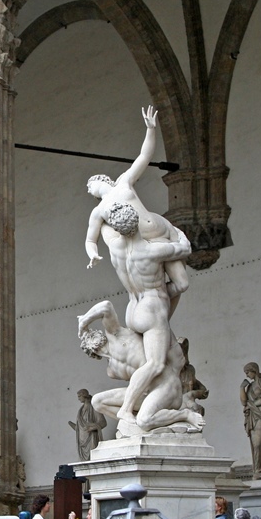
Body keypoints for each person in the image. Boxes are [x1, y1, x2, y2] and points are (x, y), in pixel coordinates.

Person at [83, 105, 192, 425]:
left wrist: (93, 252)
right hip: (154, 295)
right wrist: (151, 130)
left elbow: (93, 239)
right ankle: (133, 409)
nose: (89, 190)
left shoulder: (109, 224)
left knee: (159, 353)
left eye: (90, 186)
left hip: (135, 307)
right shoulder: (118, 207)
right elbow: (144, 158)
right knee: (157, 363)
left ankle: (138, 407)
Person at [78, 300, 204, 433]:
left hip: (166, 386)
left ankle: (184, 415)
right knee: (97, 401)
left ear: (99, 332)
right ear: (91, 353)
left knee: (145, 420)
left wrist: (84, 322)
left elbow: (106, 306)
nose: (89, 337)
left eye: (91, 334)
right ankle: (134, 422)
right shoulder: (111, 370)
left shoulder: (115, 333)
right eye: (87, 339)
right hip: (146, 394)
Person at [69, 389, 106, 461]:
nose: (78, 398)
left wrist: (93, 427)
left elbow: (103, 422)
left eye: (79, 396)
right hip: (82, 441)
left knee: (93, 459)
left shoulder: (93, 407)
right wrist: (72, 425)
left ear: (84, 396)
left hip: (91, 438)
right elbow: (80, 428)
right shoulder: (80, 410)